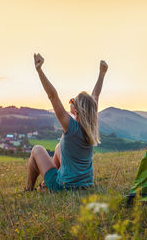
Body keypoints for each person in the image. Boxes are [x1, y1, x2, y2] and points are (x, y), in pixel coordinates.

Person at [25, 53, 108, 191]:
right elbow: (95, 95)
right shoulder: (91, 127)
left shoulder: (71, 127)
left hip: (64, 186)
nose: (71, 102)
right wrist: (102, 74)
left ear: (76, 111)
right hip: (86, 184)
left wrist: (39, 70)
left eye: (72, 101)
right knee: (58, 148)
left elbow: (52, 96)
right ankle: (45, 184)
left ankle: (29, 189)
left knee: (37, 149)